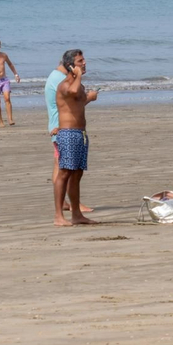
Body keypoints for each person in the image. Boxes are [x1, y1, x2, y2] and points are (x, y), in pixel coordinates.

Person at [52, 48, 98, 226]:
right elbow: (71, 92)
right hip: (68, 133)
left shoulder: (78, 86)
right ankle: (58, 216)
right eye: (80, 61)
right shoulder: (65, 85)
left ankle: (77, 214)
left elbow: (77, 102)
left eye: (83, 60)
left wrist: (89, 98)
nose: (84, 63)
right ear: (71, 66)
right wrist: (77, 75)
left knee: (77, 174)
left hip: (80, 133)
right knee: (64, 173)